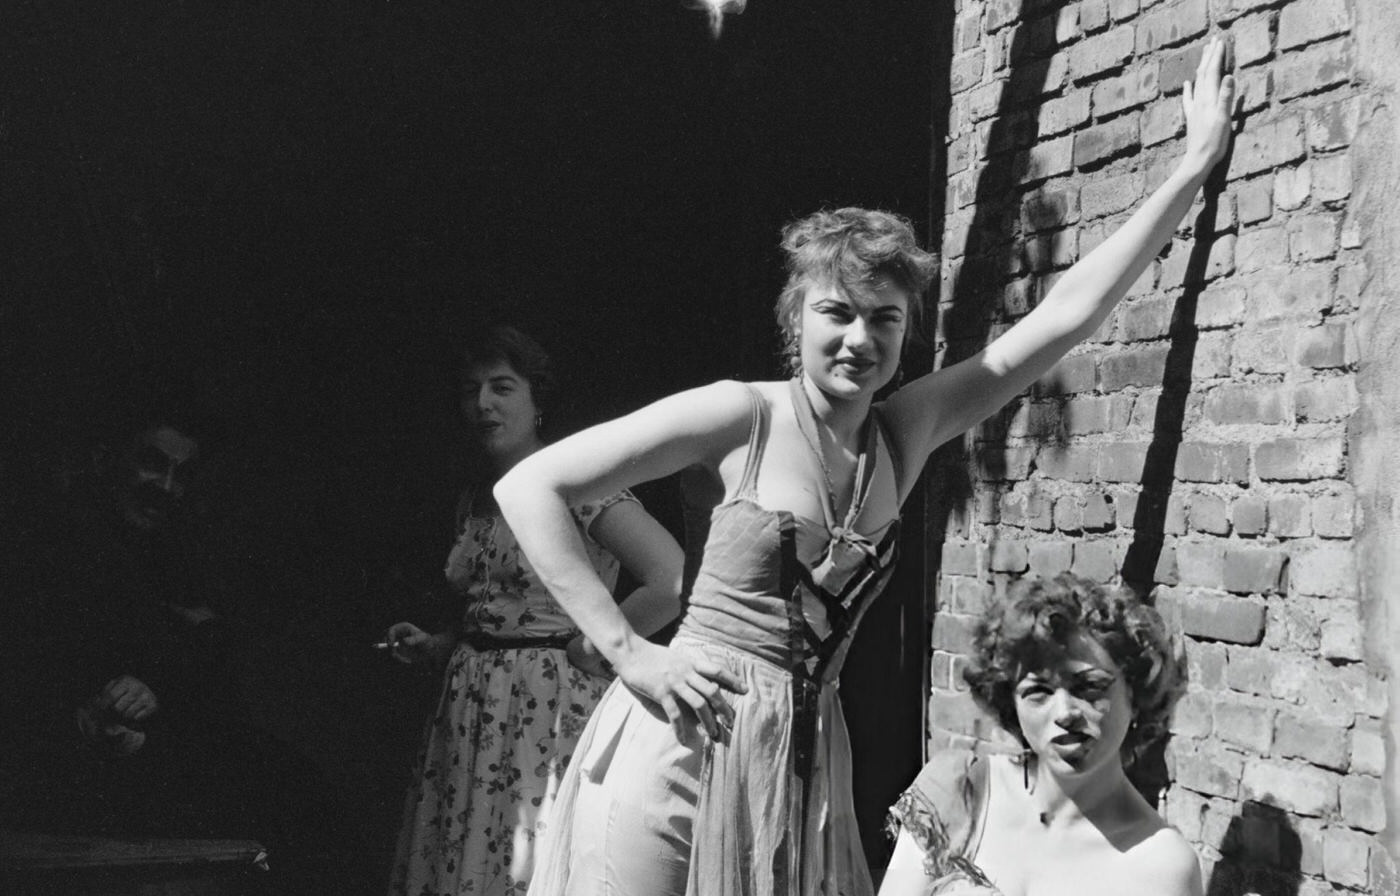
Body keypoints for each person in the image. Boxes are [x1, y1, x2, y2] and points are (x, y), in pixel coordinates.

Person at [497, 38, 1234, 896]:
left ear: (906, 330)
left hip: (798, 757)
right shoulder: (741, 414)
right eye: (836, 312)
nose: (859, 339)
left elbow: (1064, 317)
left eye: (884, 319)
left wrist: (1193, 165)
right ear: (797, 317)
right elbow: (531, 486)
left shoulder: (904, 430)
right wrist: (629, 649)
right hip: (681, 738)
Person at [0, 406, 354, 893]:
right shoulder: (44, 547)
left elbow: (212, 677)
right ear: (108, 460)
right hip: (61, 765)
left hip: (152, 753)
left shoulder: (173, 552)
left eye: (181, 475)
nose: (165, 487)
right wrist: (86, 714)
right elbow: (25, 677)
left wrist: (156, 692)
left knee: (289, 781)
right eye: (151, 463)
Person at [384, 326, 684, 896]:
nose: (483, 404)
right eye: (471, 390)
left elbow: (670, 578)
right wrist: (439, 644)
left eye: (502, 388)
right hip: (470, 709)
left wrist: (599, 646)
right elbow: (502, 617)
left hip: (548, 707)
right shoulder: (475, 498)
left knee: (536, 862)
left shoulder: (575, 481)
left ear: (537, 399)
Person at [879, 574, 1195, 896]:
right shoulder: (961, 794)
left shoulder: (1161, 864)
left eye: (1089, 688)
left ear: (1136, 694)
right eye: (1038, 691)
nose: (1064, 713)